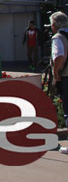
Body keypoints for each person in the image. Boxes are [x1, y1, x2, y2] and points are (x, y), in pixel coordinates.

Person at [49, 12, 68, 154]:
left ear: (54, 25)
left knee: (67, 110)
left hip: (66, 77)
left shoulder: (58, 38)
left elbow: (59, 56)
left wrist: (56, 73)